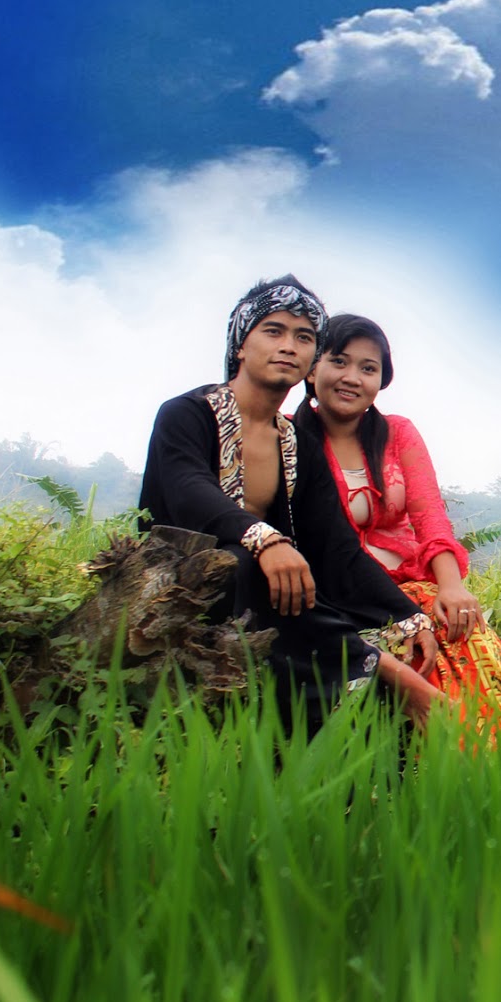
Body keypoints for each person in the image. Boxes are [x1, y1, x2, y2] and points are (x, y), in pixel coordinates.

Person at [139, 276, 445, 732]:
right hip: (183, 575)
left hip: (264, 584)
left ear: (310, 359)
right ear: (241, 344)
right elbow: (188, 492)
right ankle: (383, 670)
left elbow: (334, 543)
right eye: (274, 330)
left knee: (299, 576)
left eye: (304, 337)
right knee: (242, 561)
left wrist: (408, 616)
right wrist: (265, 540)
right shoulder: (188, 414)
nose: (289, 346)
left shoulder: (295, 443)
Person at [294, 313, 501, 743]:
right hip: (339, 597)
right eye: (339, 361)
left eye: (368, 368)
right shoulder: (290, 438)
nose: (351, 378)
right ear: (313, 367)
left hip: (411, 586)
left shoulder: (397, 433)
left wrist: (450, 586)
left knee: (466, 643)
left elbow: (430, 515)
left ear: (381, 380)